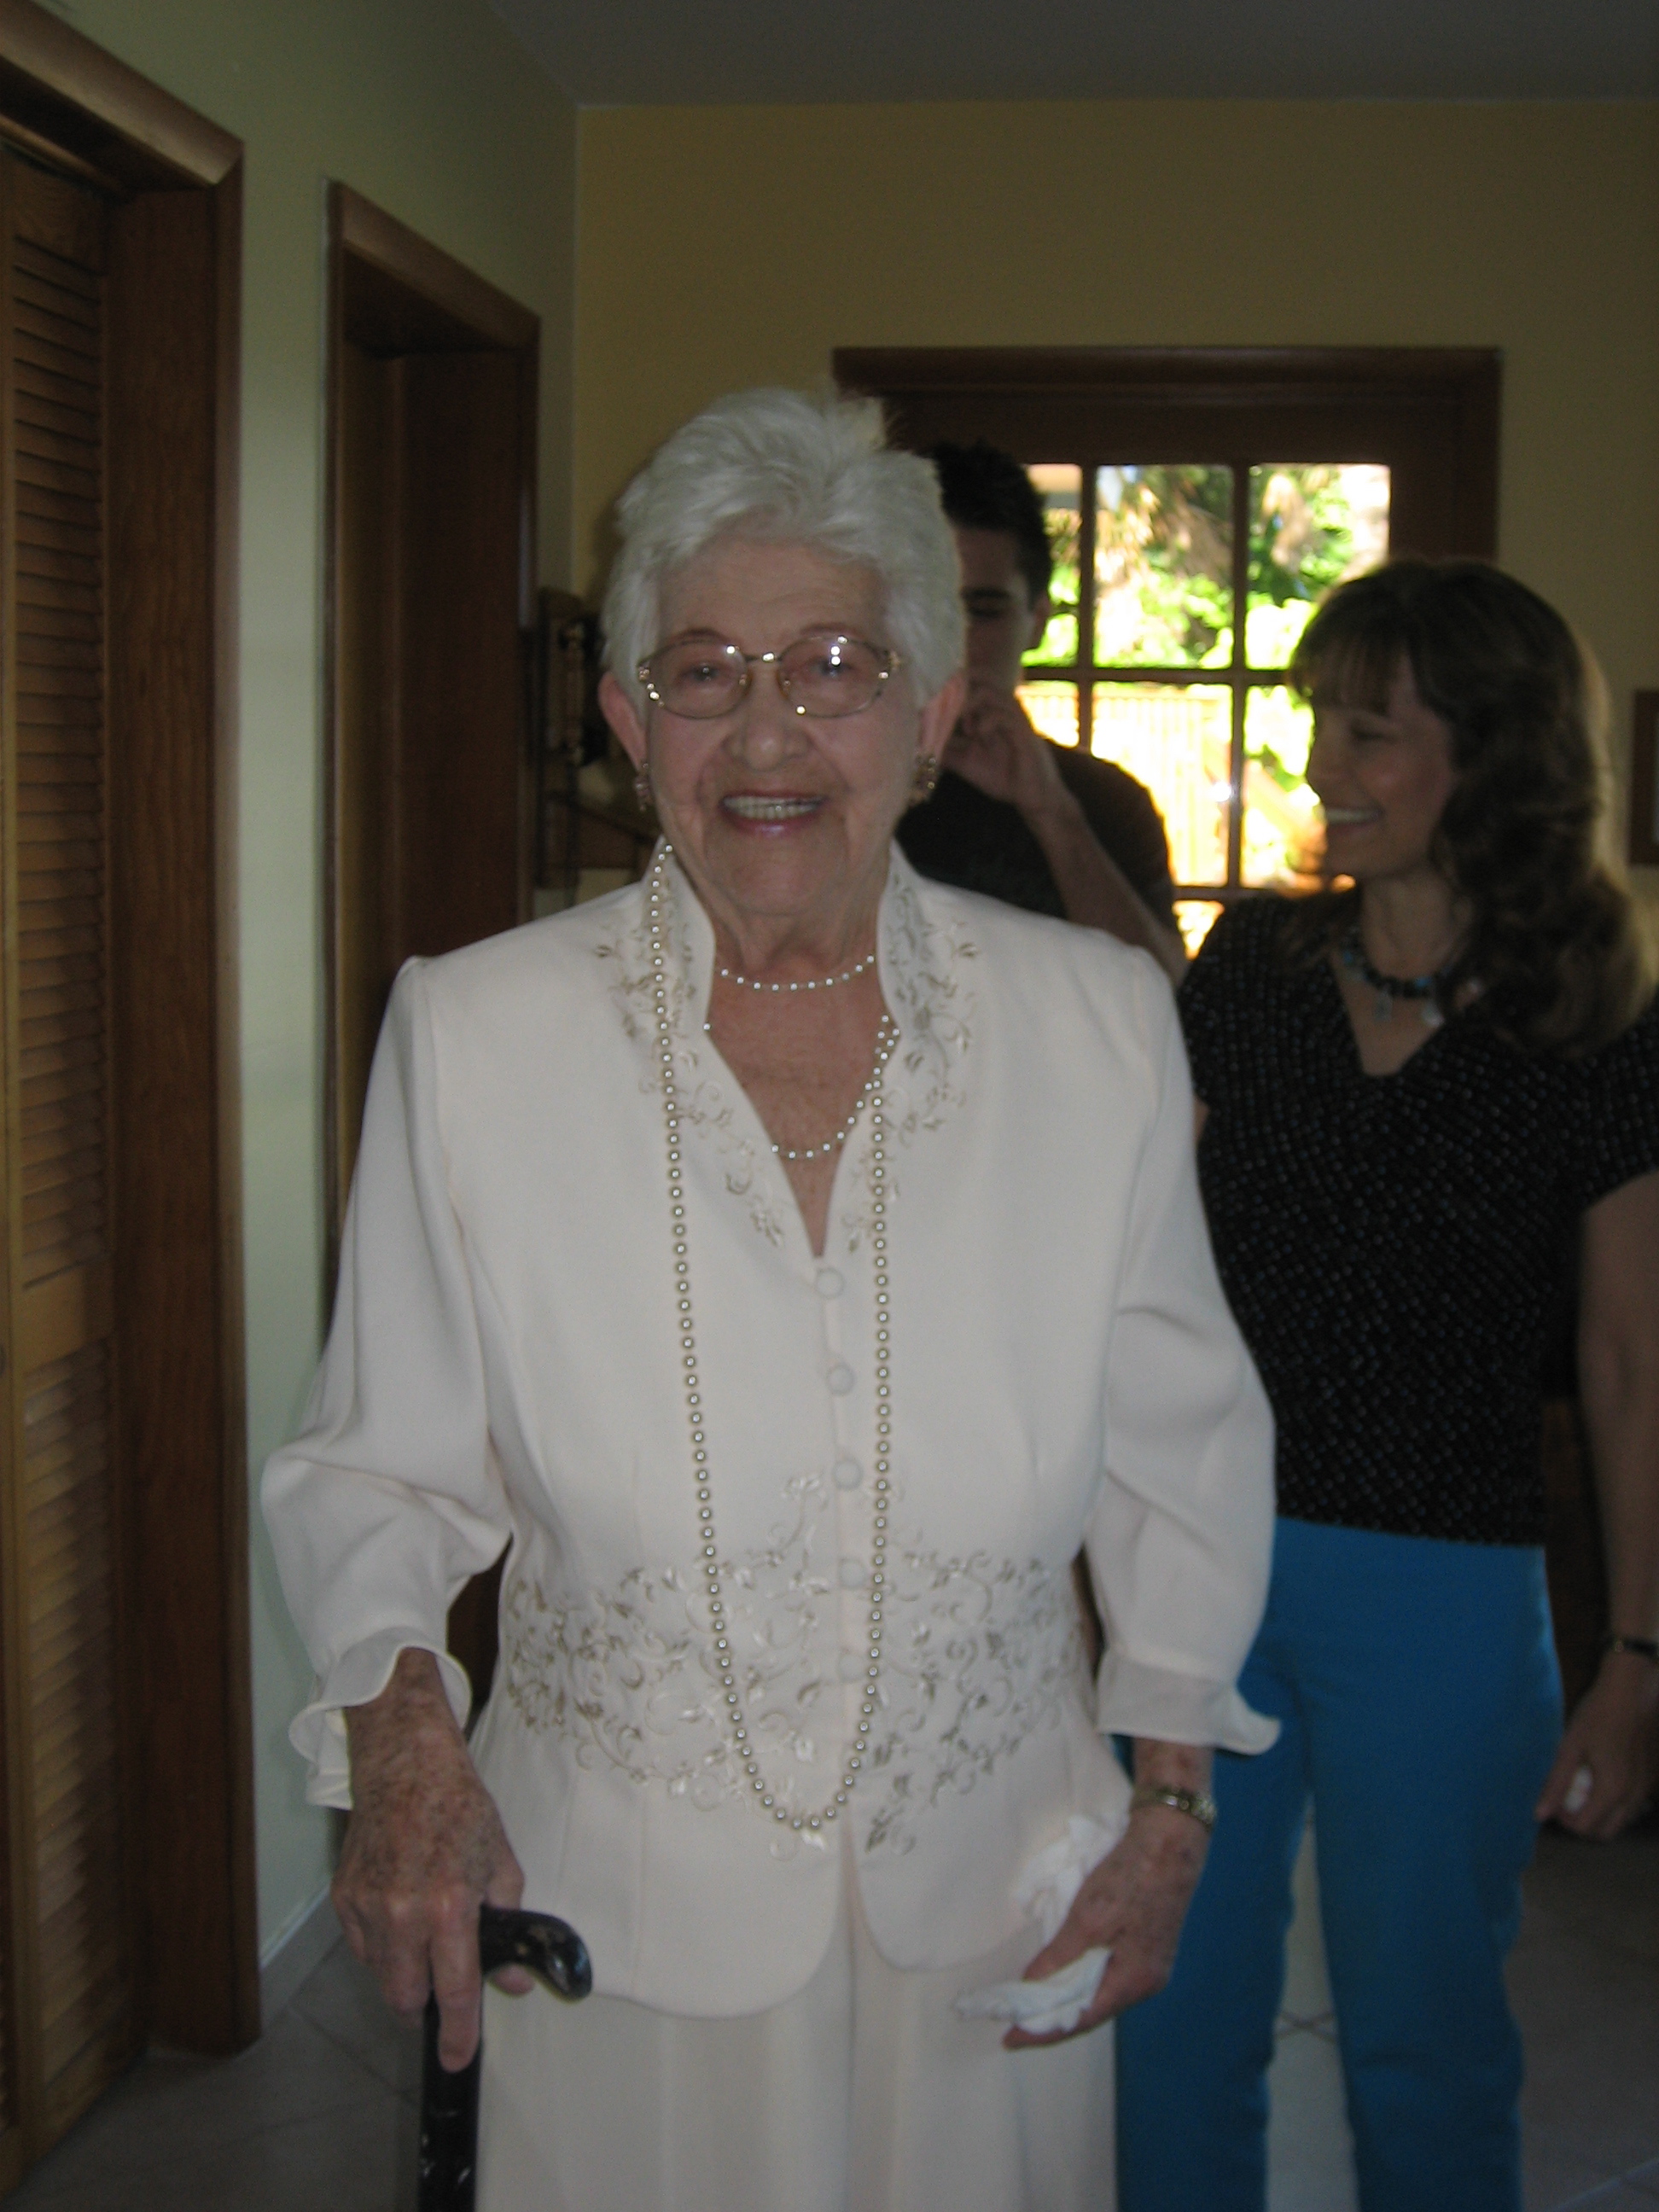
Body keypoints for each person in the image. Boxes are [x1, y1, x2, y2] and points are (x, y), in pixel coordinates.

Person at [263, 387, 1277, 2212]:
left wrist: (1175, 1799)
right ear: (625, 721)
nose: (766, 732)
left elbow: (1180, 1451)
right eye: (704, 672)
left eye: (832, 667)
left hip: (998, 1903)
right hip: (612, 1920)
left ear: (935, 711)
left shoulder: (1098, 1028)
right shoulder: (476, 1034)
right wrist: (401, 1733)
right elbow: (374, 1467)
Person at [1115, 557, 1659, 2212]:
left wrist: (1638, 1652)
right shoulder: (1253, 969)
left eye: (1370, 731)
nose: (1321, 767)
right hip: (1205, 1568)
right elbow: (1137, 1268)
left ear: (1490, 753)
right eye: (1318, 725)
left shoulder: (1596, 1019)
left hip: (1443, 1595)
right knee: (1166, 2011)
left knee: (1422, 2037)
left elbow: (1629, 1359)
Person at [897, 440, 1188, 983]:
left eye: (983, 611)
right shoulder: (841, 782)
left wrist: (1052, 813)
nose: (955, 639)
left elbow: (1167, 997)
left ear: (1036, 622)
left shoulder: (1106, 803)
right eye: (935, 609)